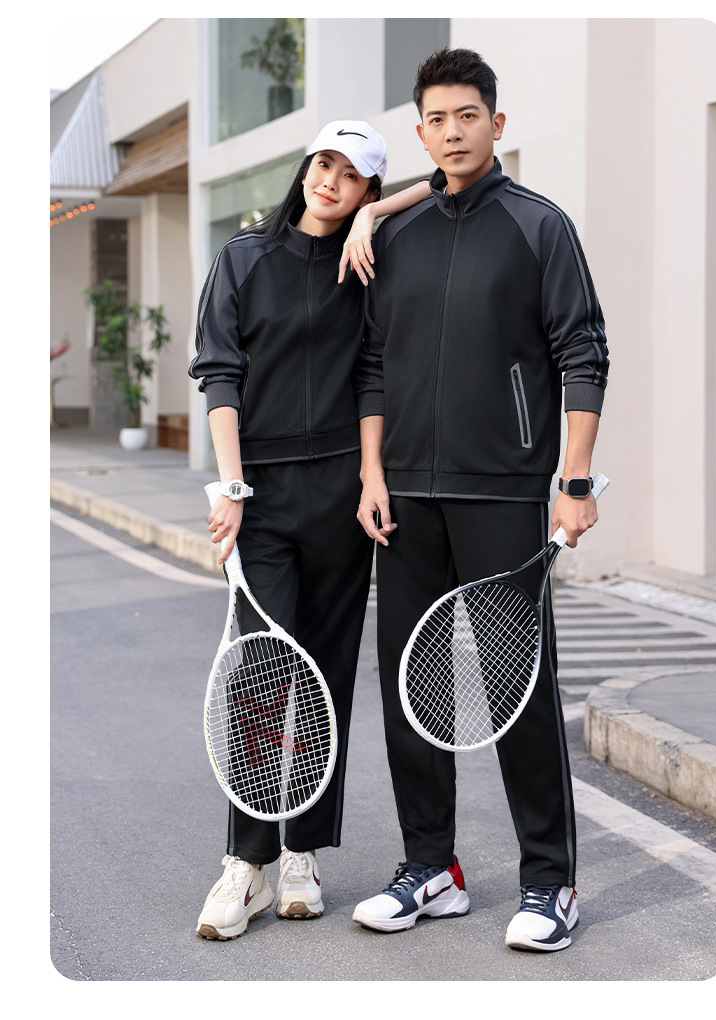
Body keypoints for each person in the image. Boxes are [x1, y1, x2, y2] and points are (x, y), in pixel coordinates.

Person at [351, 48, 610, 952]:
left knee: (516, 688)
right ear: (419, 132)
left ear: (496, 124)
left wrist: (573, 480)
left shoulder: (540, 226)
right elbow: (373, 365)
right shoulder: (397, 234)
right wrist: (372, 474)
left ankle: (550, 880)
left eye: (469, 115)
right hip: (405, 499)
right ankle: (432, 867)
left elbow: (583, 352)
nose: (453, 132)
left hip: (503, 493)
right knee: (411, 685)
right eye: (437, 119)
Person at [188, 121, 429, 941]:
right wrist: (231, 487)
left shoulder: (366, 266)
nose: (331, 180)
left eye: (352, 175)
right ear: (305, 168)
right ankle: (246, 864)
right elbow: (220, 371)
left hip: (339, 496)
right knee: (261, 674)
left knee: (326, 676)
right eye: (324, 163)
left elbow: (372, 374)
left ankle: (302, 854)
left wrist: (376, 220)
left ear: (367, 190)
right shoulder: (243, 259)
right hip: (259, 497)